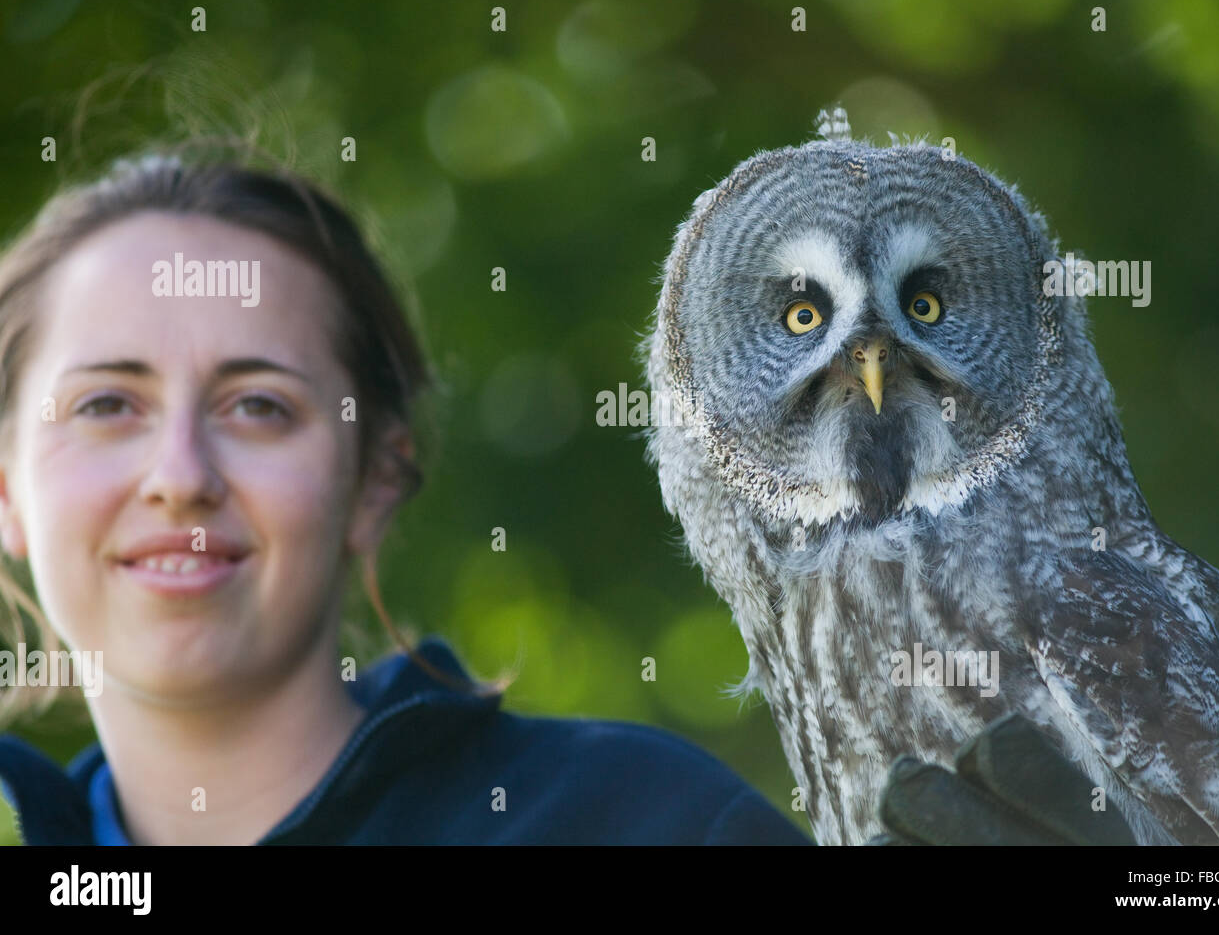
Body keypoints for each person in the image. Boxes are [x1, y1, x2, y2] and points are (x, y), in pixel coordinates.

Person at [0, 147, 811, 845]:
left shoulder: (642, 825)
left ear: (374, 483)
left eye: (259, 407)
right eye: (105, 405)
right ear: (6, 492)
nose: (180, 478)